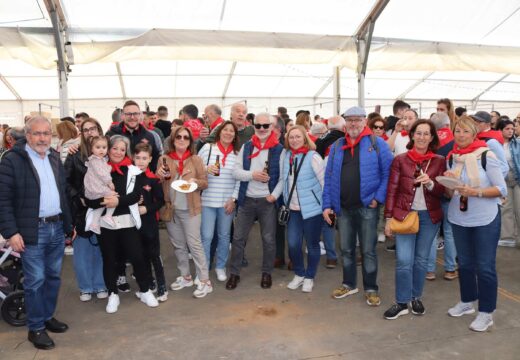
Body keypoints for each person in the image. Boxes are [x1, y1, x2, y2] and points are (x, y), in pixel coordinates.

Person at [0, 116, 72, 350]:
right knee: (35, 280)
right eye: (37, 133)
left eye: (46, 134)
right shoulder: (12, 160)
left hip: (56, 227)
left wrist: (69, 225)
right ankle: (36, 327)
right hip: (32, 231)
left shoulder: (53, 157)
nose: (42, 138)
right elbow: (3, 199)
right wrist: (11, 232)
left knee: (53, 277)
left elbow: (62, 193)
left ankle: (47, 316)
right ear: (28, 135)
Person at [322, 106, 393, 306]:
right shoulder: (336, 146)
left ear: (364, 122)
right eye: (349, 119)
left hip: (367, 207)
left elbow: (388, 173)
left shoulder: (377, 144)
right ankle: (349, 284)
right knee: (346, 249)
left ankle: (371, 288)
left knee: (368, 250)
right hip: (343, 208)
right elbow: (328, 177)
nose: (353, 123)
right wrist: (327, 205)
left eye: (357, 119)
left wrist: (377, 198)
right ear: (345, 123)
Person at [445, 116, 507, 332]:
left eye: (465, 132)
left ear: (474, 134)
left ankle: (486, 312)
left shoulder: (486, 155)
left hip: (485, 219)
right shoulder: (452, 156)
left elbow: (501, 189)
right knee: (465, 264)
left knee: (485, 266)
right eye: (457, 131)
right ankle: (467, 302)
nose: (460, 135)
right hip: (459, 217)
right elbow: (449, 193)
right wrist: (448, 182)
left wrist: (475, 192)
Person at [85, 135, 158, 313]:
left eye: (122, 149)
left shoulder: (133, 171)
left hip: (127, 222)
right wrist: (103, 201)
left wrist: (117, 202)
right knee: (110, 260)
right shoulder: (98, 168)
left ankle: (145, 290)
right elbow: (88, 198)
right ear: (108, 149)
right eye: (114, 148)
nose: (118, 152)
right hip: (105, 223)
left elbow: (135, 196)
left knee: (137, 257)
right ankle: (112, 294)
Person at [383, 120, 446, 319]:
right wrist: (388, 218)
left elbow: (442, 191)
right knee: (403, 260)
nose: (421, 137)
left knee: (420, 260)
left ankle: (416, 297)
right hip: (404, 215)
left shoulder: (439, 160)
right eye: (418, 133)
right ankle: (401, 302)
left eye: (426, 134)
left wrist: (430, 184)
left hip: (429, 216)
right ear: (412, 136)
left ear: (432, 137)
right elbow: (392, 190)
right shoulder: (400, 160)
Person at [226, 112, 283, 290]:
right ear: (254, 126)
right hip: (247, 200)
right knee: (238, 238)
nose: (262, 129)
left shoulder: (279, 149)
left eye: (266, 126)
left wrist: (273, 195)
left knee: (268, 239)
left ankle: (267, 272)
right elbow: (235, 172)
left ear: (272, 128)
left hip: (267, 201)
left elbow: (282, 178)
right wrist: (253, 175)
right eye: (258, 126)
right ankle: (234, 273)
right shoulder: (247, 147)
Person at [156, 126, 212, 298]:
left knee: (194, 245)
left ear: (190, 141)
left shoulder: (195, 160)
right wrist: (159, 175)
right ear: (173, 139)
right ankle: (186, 276)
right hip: (171, 209)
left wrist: (196, 181)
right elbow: (159, 182)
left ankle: (204, 281)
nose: (182, 139)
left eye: (186, 137)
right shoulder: (164, 159)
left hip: (191, 209)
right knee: (178, 245)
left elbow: (205, 182)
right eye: (178, 136)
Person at [64, 119, 108, 302]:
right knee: (82, 251)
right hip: (82, 210)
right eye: (86, 130)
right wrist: (78, 197)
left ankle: (100, 284)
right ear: (81, 133)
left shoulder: (108, 152)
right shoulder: (74, 155)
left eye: (93, 128)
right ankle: (85, 287)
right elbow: (64, 181)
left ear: (99, 129)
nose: (90, 132)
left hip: (105, 209)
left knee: (101, 250)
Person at [277, 126, 325, 292]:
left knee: (312, 244)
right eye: (291, 137)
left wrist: (327, 207)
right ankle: (299, 273)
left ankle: (309, 276)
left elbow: (324, 182)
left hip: (312, 210)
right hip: (293, 209)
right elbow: (284, 180)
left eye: (298, 137)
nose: (294, 140)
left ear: (305, 138)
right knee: (293, 244)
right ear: (287, 140)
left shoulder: (313, 157)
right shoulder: (287, 155)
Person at [198, 121, 240, 282]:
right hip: (207, 201)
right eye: (225, 130)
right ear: (219, 132)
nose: (228, 133)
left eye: (232, 131)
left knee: (224, 236)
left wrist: (234, 199)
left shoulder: (237, 153)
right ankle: (203, 269)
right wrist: (205, 169)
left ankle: (220, 267)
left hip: (226, 203)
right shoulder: (208, 148)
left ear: (235, 135)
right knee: (206, 237)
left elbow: (239, 180)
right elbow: (196, 168)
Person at [133, 143, 167, 301]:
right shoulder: (129, 177)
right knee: (140, 255)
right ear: (133, 158)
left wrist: (147, 208)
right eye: (138, 157)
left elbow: (160, 201)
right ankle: (149, 284)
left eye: (144, 158)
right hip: (133, 223)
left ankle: (162, 287)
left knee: (154, 254)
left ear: (150, 159)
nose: (140, 161)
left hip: (149, 223)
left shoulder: (153, 179)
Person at [426, 112, 458, 281]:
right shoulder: (457, 142)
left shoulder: (429, 141)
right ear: (448, 124)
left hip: (432, 192)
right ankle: (450, 269)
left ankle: (429, 270)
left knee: (431, 233)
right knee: (450, 232)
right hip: (450, 192)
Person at [106, 100, 160, 171]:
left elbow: (155, 158)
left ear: (140, 115)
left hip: (142, 179)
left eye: (135, 114)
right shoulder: (112, 134)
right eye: (128, 114)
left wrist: (149, 178)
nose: (132, 117)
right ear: (123, 116)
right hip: (116, 179)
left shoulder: (149, 136)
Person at [84, 136, 117, 233]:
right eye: (98, 147)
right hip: (96, 188)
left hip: (96, 188)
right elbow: (102, 174)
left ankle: (94, 223)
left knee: (102, 204)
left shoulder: (101, 160)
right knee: (114, 196)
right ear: (92, 149)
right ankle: (108, 216)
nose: (101, 150)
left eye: (104, 147)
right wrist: (109, 182)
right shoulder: (95, 160)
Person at [496, 119, 520, 247]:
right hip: (503, 180)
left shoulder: (518, 143)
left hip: (518, 178)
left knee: (519, 209)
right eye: (507, 129)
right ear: (500, 130)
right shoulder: (495, 145)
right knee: (506, 209)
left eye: (512, 128)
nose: (511, 131)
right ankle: (507, 238)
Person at [471, 111, 509, 177]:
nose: (475, 123)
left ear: (488, 124)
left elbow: (504, 167)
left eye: (479, 121)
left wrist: (490, 182)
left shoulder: (492, 141)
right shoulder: (475, 136)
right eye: (474, 120)